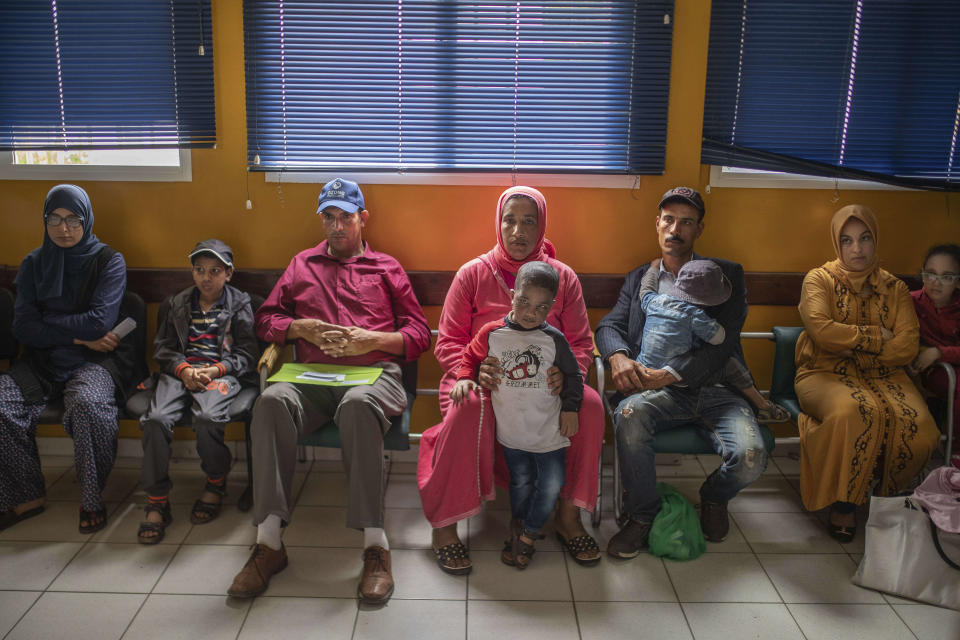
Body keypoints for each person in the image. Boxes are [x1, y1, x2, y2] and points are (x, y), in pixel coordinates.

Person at [227, 178, 430, 605]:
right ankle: (268, 544)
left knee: (357, 407)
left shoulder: (387, 268)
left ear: (363, 219)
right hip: (310, 378)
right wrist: (297, 327)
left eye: (345, 218)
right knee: (269, 402)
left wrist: (369, 340)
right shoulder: (301, 264)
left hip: (374, 376)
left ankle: (376, 547)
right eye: (329, 218)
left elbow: (417, 335)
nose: (337, 227)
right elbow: (266, 321)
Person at [418, 186, 605, 575]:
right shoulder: (472, 274)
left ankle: (568, 517)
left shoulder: (562, 278)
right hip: (482, 379)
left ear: (541, 227)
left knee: (588, 404)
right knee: (467, 405)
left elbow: (582, 343)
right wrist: (473, 371)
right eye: (510, 220)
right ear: (498, 223)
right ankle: (446, 527)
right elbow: (449, 341)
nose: (518, 231)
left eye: (528, 222)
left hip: (545, 387)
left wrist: (567, 374)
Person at [595, 186, 768, 557]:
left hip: (718, 389)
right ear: (657, 224)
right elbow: (609, 326)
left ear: (699, 229)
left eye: (686, 222)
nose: (676, 229)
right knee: (628, 414)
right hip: (661, 395)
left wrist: (670, 373)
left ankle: (713, 498)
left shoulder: (725, 276)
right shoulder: (641, 278)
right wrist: (618, 357)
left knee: (751, 456)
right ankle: (642, 516)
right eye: (669, 220)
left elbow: (722, 345)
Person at [794, 205, 939, 542]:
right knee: (852, 413)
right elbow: (820, 330)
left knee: (921, 428)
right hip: (823, 372)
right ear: (837, 243)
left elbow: (906, 345)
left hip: (886, 376)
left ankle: (884, 497)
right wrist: (873, 337)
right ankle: (844, 503)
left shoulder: (896, 288)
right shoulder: (820, 279)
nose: (856, 249)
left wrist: (851, 345)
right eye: (847, 240)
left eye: (865, 239)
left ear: (876, 242)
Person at [0, 184, 137, 534]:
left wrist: (51, 324)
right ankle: (26, 494)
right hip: (41, 362)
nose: (64, 229)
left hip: (95, 362)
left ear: (87, 219)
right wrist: (78, 336)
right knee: (2, 403)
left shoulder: (109, 261)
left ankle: (92, 498)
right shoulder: (33, 264)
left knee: (89, 406)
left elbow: (99, 322)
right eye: (55, 219)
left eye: (73, 219)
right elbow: (22, 328)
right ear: (45, 221)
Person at [450, 261, 583, 569]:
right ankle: (519, 526)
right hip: (511, 433)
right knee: (520, 482)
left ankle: (529, 533)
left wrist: (571, 408)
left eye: (540, 308)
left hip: (548, 432)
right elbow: (469, 356)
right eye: (523, 302)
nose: (529, 313)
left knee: (551, 484)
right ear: (512, 295)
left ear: (551, 307)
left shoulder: (555, 339)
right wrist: (464, 378)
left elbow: (573, 376)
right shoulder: (492, 333)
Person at [137, 239, 258, 544]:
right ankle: (157, 499)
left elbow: (247, 353)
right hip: (181, 372)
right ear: (192, 273)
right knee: (155, 419)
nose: (206, 277)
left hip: (220, 373)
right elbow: (163, 349)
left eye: (214, 271)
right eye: (199, 270)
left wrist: (217, 370)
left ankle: (216, 481)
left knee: (207, 416)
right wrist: (184, 370)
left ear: (228, 274)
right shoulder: (178, 303)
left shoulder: (240, 304)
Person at [636, 257, 790, 421]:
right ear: (707, 300)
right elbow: (718, 338)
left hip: (644, 369)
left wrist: (653, 268)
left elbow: (646, 289)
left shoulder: (655, 301)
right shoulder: (695, 315)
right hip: (676, 376)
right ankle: (763, 406)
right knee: (731, 366)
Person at [909, 243, 960, 469]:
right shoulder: (909, 301)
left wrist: (939, 352)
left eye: (947, 277)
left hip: (945, 362)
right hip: (934, 373)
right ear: (922, 274)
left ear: (958, 281)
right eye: (930, 274)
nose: (936, 282)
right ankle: (956, 457)